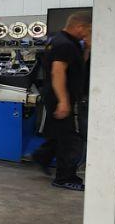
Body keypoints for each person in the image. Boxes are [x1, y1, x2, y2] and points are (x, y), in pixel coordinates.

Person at [32, 11, 92, 191]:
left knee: (59, 133)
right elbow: (57, 72)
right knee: (71, 139)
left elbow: (77, 65)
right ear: (80, 26)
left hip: (57, 96)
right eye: (88, 30)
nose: (89, 33)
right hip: (62, 96)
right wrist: (64, 101)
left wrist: (87, 48)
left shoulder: (62, 40)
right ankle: (64, 178)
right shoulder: (64, 44)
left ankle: (42, 156)